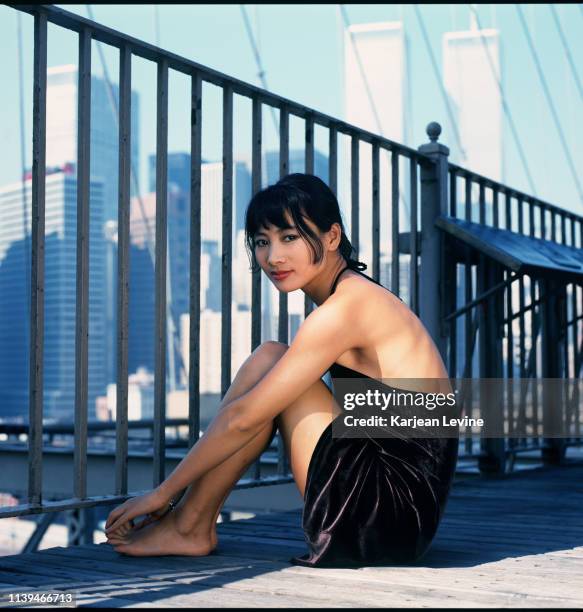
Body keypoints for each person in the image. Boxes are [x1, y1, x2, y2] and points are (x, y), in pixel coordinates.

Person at [105, 173, 459, 567]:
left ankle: (189, 525)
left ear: (331, 237)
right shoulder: (353, 294)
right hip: (401, 510)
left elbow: (243, 419)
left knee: (269, 369)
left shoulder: (346, 309)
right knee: (270, 356)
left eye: (289, 237)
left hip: (384, 518)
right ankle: (190, 524)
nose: (273, 257)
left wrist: (162, 493)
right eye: (261, 241)